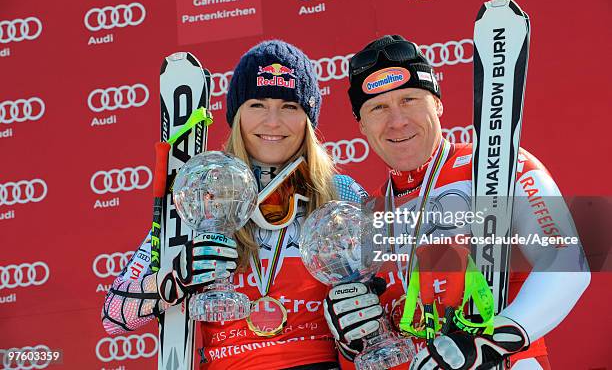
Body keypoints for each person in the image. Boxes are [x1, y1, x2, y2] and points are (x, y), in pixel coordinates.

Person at [322, 35, 591, 370]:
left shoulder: (497, 167)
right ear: (361, 125)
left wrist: (488, 343)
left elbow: (568, 259)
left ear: (438, 103)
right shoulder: (367, 217)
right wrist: (351, 345)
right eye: (377, 107)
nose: (397, 121)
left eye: (409, 99)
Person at [101, 40, 368, 369]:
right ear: (236, 115)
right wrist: (175, 279)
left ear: (308, 120)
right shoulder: (202, 193)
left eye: (289, 106)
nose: (272, 121)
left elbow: (385, 292)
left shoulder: (341, 193)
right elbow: (114, 317)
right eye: (257, 104)